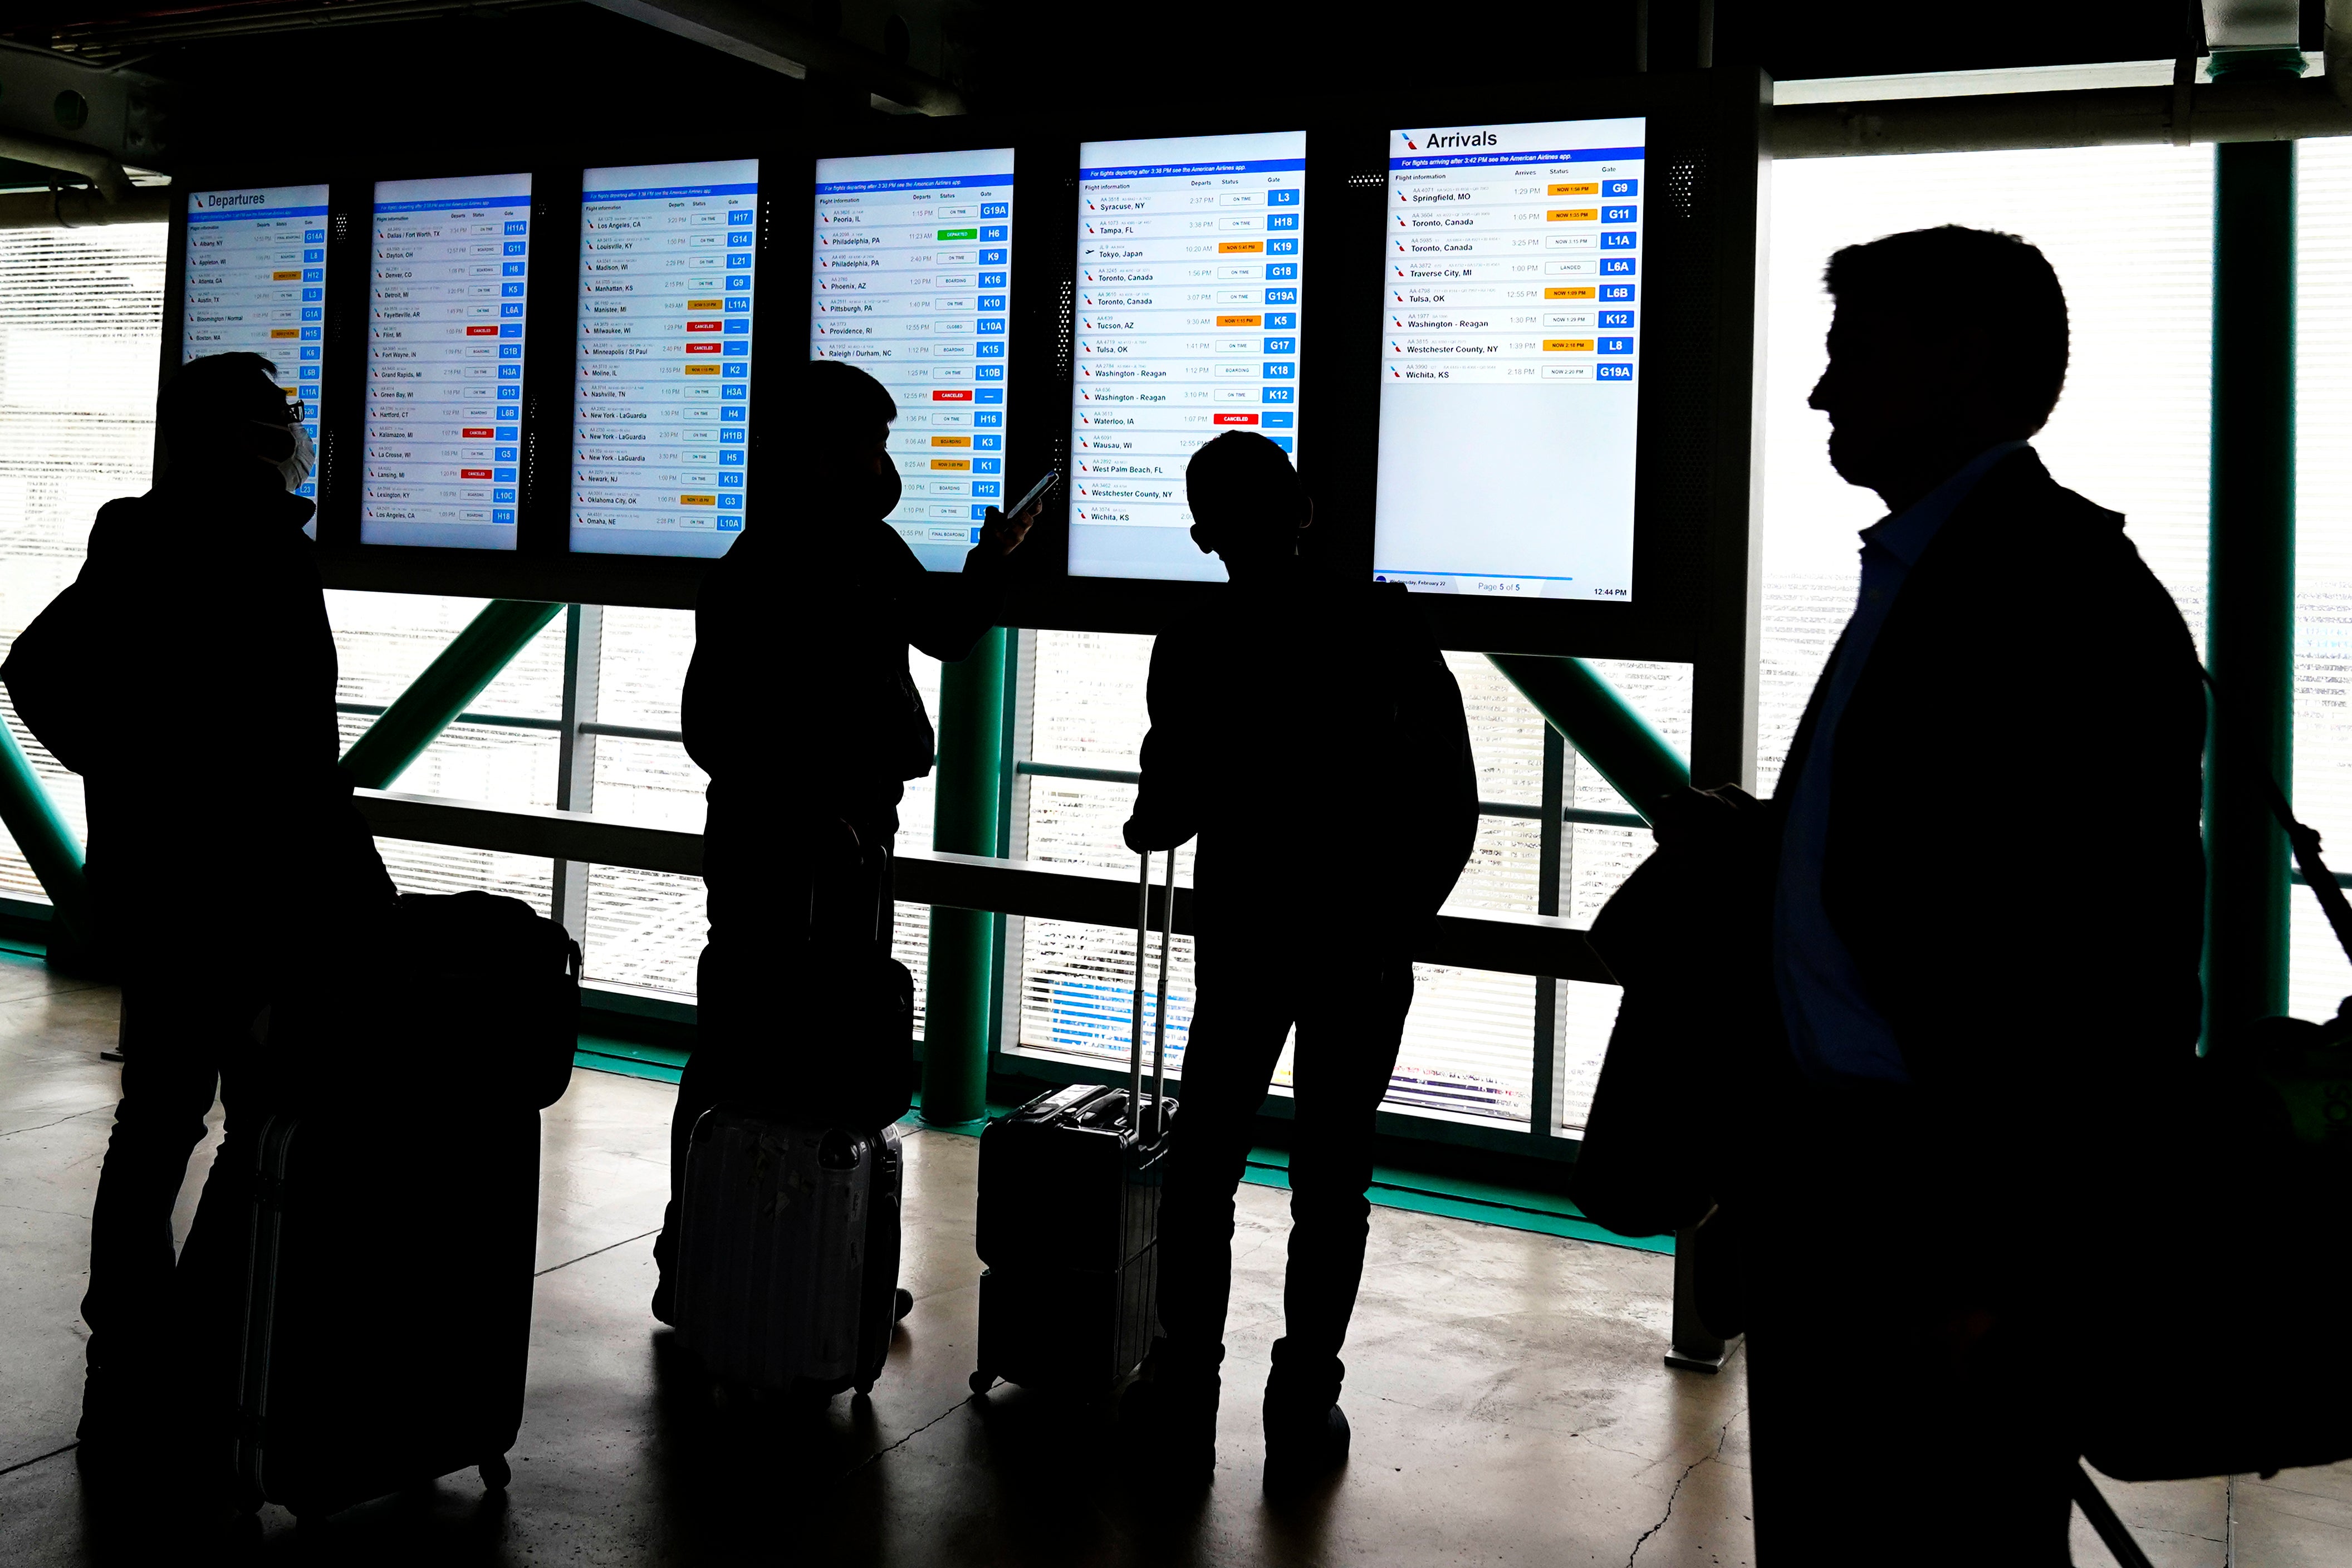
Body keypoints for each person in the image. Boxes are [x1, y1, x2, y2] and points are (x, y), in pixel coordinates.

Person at [1721, 227, 2205, 1562]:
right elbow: (1945, 863)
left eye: (1853, 352)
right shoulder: (1955, 574)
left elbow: (2113, 971)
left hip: (1945, 1223)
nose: (1822, 392)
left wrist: (2011, 1271)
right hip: (1856, 1189)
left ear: (1963, 364)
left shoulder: (2064, 600)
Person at [0, 352, 395, 1471]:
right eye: (278, 417)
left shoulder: (139, 533)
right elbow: (287, 751)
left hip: (169, 886)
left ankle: (129, 1345)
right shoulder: (262, 547)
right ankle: (202, 1335)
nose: (290, 432)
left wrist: (128, 774)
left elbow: (33, 669)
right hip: (260, 889)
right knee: (265, 1118)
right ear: (251, 436)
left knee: (160, 1116)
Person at [1119, 430, 1477, 1486]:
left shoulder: (1190, 645)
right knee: (1333, 1179)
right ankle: (1303, 1397)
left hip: (1245, 937)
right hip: (1359, 942)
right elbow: (1452, 800)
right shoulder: (1387, 628)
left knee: (1204, 1169)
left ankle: (1185, 1378)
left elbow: (1166, 813)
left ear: (1201, 536)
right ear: (1306, 512)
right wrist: (1394, 920)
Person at [650, 359, 1040, 1321]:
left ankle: (791, 1255)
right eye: (873, 445)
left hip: (837, 834)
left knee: (784, 1043)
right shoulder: (779, 562)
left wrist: (995, 559)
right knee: (755, 1043)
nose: (884, 464)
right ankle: (723, 1257)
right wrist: (812, 801)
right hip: (796, 841)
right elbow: (718, 727)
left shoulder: (853, 546)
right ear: (825, 456)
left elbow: (944, 629)